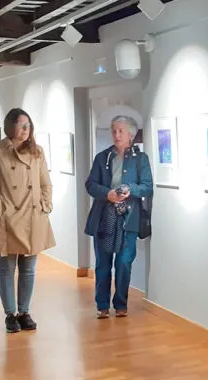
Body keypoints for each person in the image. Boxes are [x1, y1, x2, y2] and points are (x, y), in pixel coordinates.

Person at [0, 108, 54, 333]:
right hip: (7, 217)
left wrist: (46, 205)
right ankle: (10, 314)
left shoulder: (37, 152)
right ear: (9, 126)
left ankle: (25, 311)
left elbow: (45, 183)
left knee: (29, 268)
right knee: (6, 268)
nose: (25, 129)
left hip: (33, 217)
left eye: (28, 125)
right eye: (21, 125)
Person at [84, 115, 153, 319]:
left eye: (121, 131)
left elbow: (147, 186)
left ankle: (121, 303)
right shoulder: (101, 157)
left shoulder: (141, 159)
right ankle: (102, 305)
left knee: (124, 261)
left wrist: (130, 189)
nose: (116, 134)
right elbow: (90, 184)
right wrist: (108, 194)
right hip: (104, 217)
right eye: (114, 130)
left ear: (131, 134)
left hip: (128, 219)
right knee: (103, 263)